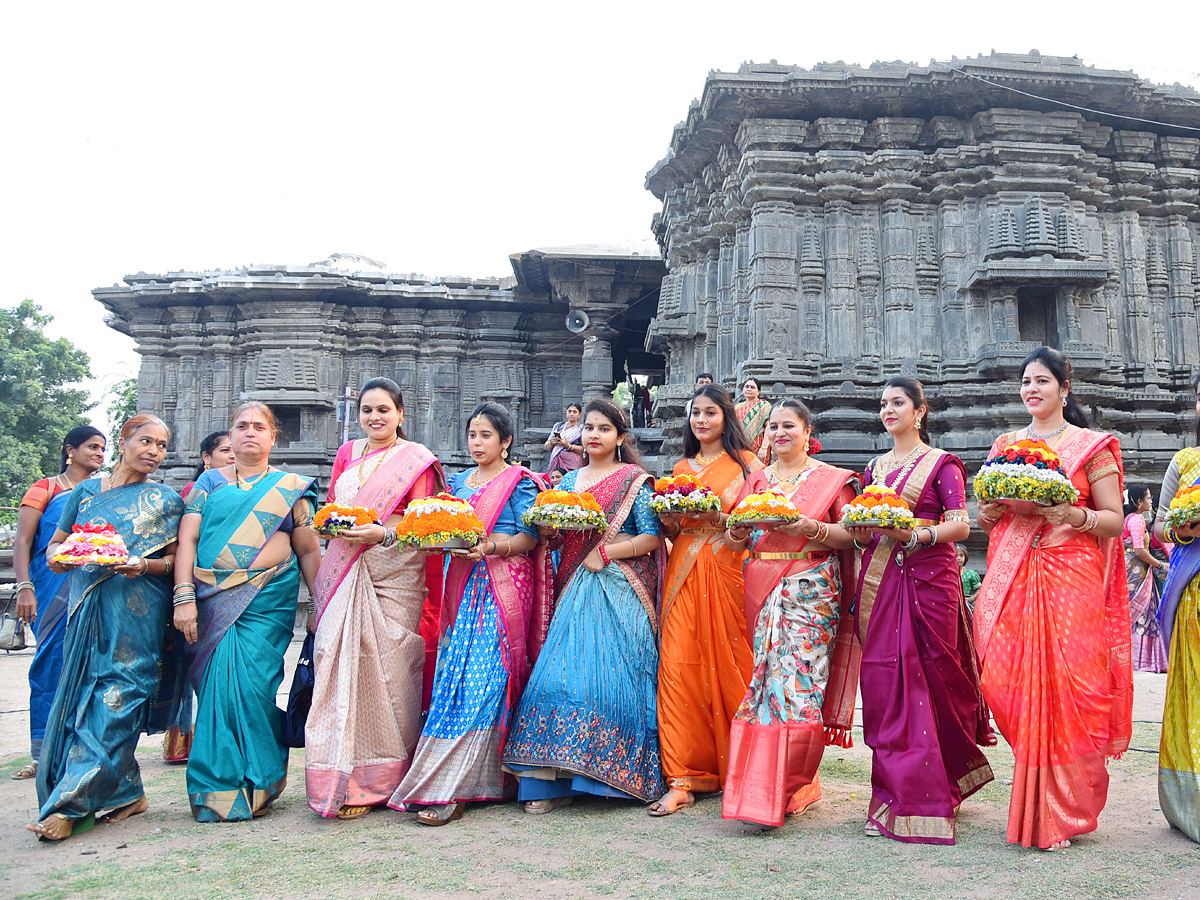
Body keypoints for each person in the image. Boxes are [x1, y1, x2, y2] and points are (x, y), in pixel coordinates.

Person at [975, 347, 1131, 851]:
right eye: (1026, 381)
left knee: (1071, 687)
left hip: (1072, 578)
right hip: (1015, 575)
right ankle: (1038, 792)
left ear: (1065, 388)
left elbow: (1112, 519)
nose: (1032, 389)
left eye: (1042, 380)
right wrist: (990, 511)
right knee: (1001, 679)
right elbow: (990, 518)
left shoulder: (1092, 446)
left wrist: (1071, 514)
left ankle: (1064, 810)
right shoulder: (1006, 443)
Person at [847, 377, 992, 845]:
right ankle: (895, 794)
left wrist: (915, 534)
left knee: (935, 680)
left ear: (920, 410)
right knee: (888, 682)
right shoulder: (873, 467)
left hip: (930, 580)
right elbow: (865, 532)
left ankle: (939, 787)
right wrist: (864, 530)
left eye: (897, 403)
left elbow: (960, 524)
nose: (888, 410)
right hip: (882, 581)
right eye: (883, 404)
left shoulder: (942, 465)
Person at [504, 398, 665, 811]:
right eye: (589, 428)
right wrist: (550, 533)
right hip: (572, 586)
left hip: (619, 588)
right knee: (557, 679)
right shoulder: (564, 484)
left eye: (603, 429)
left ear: (620, 437)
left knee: (610, 682)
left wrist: (609, 554)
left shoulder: (635, 481)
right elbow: (553, 539)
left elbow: (650, 537)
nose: (594, 435)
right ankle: (548, 783)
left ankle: (611, 780)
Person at [28, 416, 183, 842]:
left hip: (137, 607)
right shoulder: (86, 491)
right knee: (83, 694)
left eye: (163, 445)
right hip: (86, 602)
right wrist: (59, 557)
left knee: (119, 696)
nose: (154, 451)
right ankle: (127, 791)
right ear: (124, 441)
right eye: (146, 441)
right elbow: (57, 545)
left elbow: (174, 563)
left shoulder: (165, 499)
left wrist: (141, 565)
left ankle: (70, 803)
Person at [394, 403, 550, 824]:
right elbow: (445, 529)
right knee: (454, 680)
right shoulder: (458, 483)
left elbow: (529, 537)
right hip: (460, 587)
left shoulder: (521, 483)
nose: (477, 443)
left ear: (506, 441)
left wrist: (490, 548)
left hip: (502, 586)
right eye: (472, 435)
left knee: (488, 680)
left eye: (485, 436)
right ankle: (447, 780)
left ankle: (462, 786)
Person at [304, 379, 446, 820]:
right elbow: (330, 506)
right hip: (345, 567)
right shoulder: (347, 454)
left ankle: (383, 779)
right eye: (367, 410)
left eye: (383, 410)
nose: (374, 418)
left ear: (400, 414)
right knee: (333, 656)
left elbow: (426, 522)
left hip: (395, 573)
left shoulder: (417, 460)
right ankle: (340, 777)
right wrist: (331, 528)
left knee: (389, 666)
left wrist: (382, 533)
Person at [173, 401, 322, 822]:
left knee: (255, 691)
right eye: (241, 426)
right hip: (210, 602)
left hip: (266, 603)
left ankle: (262, 779)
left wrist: (320, 604)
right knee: (218, 693)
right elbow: (187, 542)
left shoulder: (293, 487)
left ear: (274, 437)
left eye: (259, 427)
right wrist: (183, 596)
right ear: (231, 435)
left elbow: (309, 548)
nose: (249, 433)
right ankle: (215, 789)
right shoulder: (207, 484)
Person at [720, 400, 860, 827]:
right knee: (764, 683)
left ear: (807, 430)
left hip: (813, 588)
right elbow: (735, 539)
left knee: (800, 685)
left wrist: (810, 527)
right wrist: (736, 531)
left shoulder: (832, 481)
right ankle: (766, 786)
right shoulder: (757, 479)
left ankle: (792, 782)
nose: (780, 433)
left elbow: (853, 536)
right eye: (773, 427)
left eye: (789, 426)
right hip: (763, 584)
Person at [650, 384, 762, 816]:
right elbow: (676, 531)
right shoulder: (680, 467)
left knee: (731, 664)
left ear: (725, 417)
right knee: (678, 667)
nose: (700, 420)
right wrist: (667, 519)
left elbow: (755, 523)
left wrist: (719, 517)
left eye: (709, 413)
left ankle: (745, 765)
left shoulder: (747, 465)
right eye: (695, 413)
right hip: (682, 570)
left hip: (726, 569)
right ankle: (682, 776)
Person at [11, 426, 106, 782]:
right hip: (50, 587)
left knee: (92, 666)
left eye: (103, 448)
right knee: (51, 662)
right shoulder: (46, 488)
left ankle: (84, 748)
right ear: (70, 450)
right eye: (92, 447)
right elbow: (23, 541)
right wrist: (24, 587)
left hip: (92, 588)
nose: (99, 454)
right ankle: (43, 751)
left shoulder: (103, 490)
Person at [164, 429, 235, 765]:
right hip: (199, 586)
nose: (232, 455)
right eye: (224, 450)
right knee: (199, 665)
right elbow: (185, 542)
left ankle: (211, 743)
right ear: (206, 458)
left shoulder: (259, 486)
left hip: (241, 585)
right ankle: (195, 742)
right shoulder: (198, 490)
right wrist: (183, 592)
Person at [1153, 371, 1200, 842]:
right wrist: (1185, 530)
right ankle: (1191, 806)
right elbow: (1160, 526)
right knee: (1193, 694)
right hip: (1193, 595)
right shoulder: (1187, 462)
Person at [1124, 484, 1168, 672]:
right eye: (1148, 498)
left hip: (1133, 569)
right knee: (1141, 612)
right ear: (1139, 501)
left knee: (1137, 611)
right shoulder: (1137, 520)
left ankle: (1133, 658)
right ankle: (1139, 660)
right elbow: (1140, 550)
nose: (1151, 501)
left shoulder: (1129, 518)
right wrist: (1159, 565)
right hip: (1136, 571)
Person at [181, 431, 234, 500]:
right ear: (206, 457)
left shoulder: (248, 487)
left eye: (237, 450)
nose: (233, 456)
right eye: (225, 450)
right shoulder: (196, 489)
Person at [735, 377, 771, 463]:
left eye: (752, 387)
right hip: (740, 446)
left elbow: (769, 426)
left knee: (758, 473)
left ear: (758, 391)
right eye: (746, 386)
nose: (748, 389)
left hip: (758, 445)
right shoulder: (737, 407)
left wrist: (764, 447)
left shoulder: (763, 405)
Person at [544, 403, 585, 474]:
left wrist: (568, 446)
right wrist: (552, 442)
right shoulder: (558, 426)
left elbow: (585, 449)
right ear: (566, 412)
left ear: (579, 414)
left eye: (574, 412)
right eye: (569, 411)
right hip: (556, 460)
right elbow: (546, 447)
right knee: (556, 481)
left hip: (573, 463)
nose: (571, 414)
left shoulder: (581, 429)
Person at [957, 545, 982, 616]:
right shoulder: (948, 575)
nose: (958, 558)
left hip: (966, 605)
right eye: (956, 556)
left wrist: (971, 599)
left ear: (965, 557)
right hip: (952, 604)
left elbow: (980, 589)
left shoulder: (970, 574)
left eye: (961, 556)